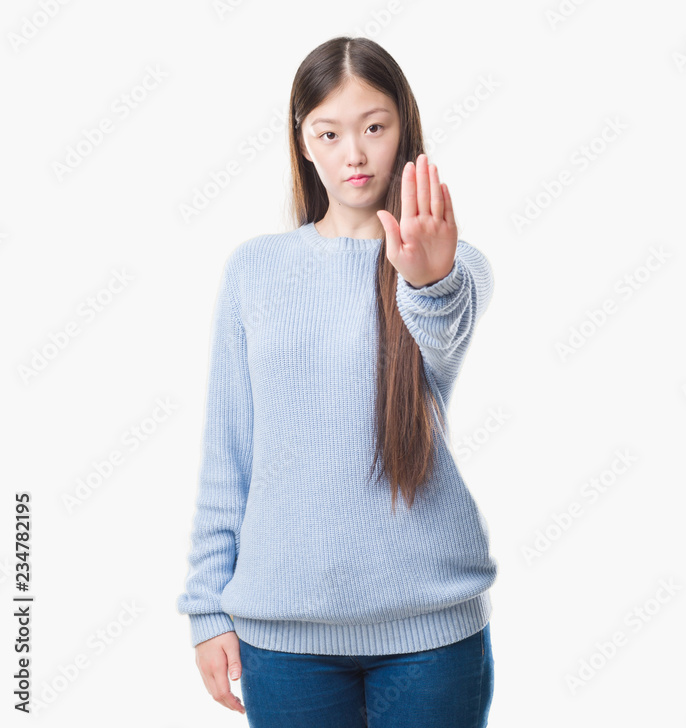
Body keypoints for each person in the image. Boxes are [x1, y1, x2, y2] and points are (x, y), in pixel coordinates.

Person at [175, 35, 497, 727]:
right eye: (331, 132)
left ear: (402, 128)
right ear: (304, 142)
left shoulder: (451, 264)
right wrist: (207, 607)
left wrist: (429, 277)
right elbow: (228, 451)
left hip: (431, 636)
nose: (355, 153)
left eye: (374, 128)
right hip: (283, 642)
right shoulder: (254, 271)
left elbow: (442, 335)